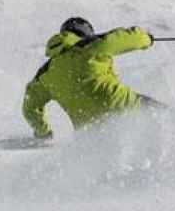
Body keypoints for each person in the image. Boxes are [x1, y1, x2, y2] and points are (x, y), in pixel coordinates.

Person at [21, 17, 159, 138]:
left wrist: (43, 133)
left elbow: (30, 108)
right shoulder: (86, 46)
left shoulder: (46, 73)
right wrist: (146, 38)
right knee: (161, 115)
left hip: (88, 129)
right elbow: (118, 39)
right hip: (118, 104)